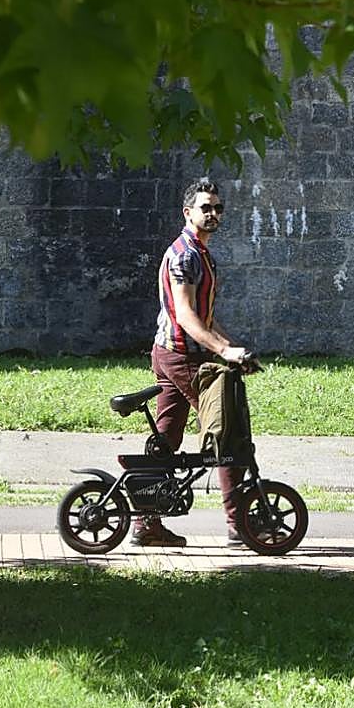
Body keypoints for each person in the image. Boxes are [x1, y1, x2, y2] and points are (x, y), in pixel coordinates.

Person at [133, 179, 249, 547]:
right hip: (183, 357)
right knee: (228, 436)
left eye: (217, 208)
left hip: (170, 353)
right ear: (188, 213)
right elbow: (186, 316)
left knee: (166, 437)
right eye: (205, 208)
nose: (213, 214)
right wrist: (224, 353)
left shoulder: (199, 253)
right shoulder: (186, 255)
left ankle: (145, 523)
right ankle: (240, 525)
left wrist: (233, 347)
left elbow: (206, 316)